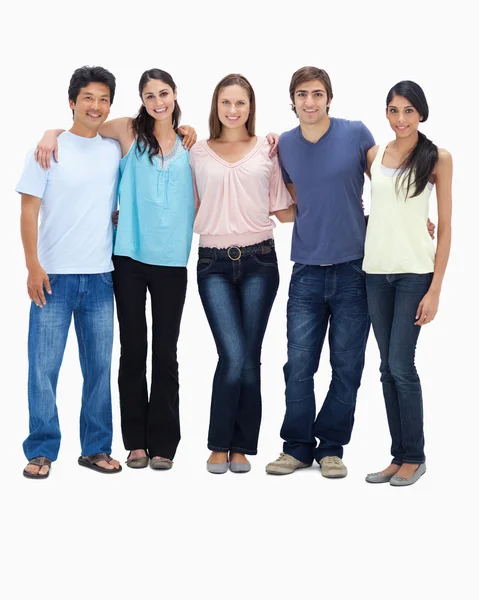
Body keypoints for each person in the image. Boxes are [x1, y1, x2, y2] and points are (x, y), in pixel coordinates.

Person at [265, 66, 436, 478]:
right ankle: (297, 447)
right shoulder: (284, 145)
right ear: (293, 100)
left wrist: (413, 220)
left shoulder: (356, 134)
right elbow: (292, 202)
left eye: (318, 93)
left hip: (355, 271)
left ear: (329, 98)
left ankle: (331, 448)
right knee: (298, 365)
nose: (310, 101)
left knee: (347, 366)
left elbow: (389, 180)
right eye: (302, 94)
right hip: (306, 270)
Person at [35, 69, 197, 470]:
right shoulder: (126, 130)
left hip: (172, 260)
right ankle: (135, 443)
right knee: (132, 349)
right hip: (126, 258)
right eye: (148, 95)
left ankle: (163, 443)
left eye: (163, 93)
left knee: (166, 352)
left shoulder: (190, 141)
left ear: (175, 95)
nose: (157, 101)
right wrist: (49, 133)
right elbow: (82, 126)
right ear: (140, 100)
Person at [18, 65, 122, 478]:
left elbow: (143, 126)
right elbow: (29, 210)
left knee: (99, 369)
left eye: (103, 99)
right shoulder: (48, 149)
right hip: (53, 277)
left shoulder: (114, 148)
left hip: (100, 276)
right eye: (88, 98)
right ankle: (41, 449)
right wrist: (32, 265)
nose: (95, 106)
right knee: (43, 368)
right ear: (72, 102)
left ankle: (95, 448)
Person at [189, 74, 293, 474]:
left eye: (241, 103)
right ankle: (219, 442)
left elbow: (284, 209)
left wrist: (364, 213)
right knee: (232, 353)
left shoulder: (268, 150)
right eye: (226, 103)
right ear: (216, 107)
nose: (233, 110)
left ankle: (241, 446)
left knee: (249, 357)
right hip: (212, 262)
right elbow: (185, 206)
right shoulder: (196, 152)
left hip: (260, 262)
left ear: (251, 107)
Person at [363, 81, 452, 487]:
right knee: (385, 369)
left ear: (421, 114)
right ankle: (398, 456)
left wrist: (435, 288)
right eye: (394, 110)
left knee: (401, 364)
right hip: (375, 272)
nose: (401, 119)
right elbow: (378, 209)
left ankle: (415, 456)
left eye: (409, 111)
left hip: (415, 272)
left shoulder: (437, 158)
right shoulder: (374, 155)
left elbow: (446, 226)